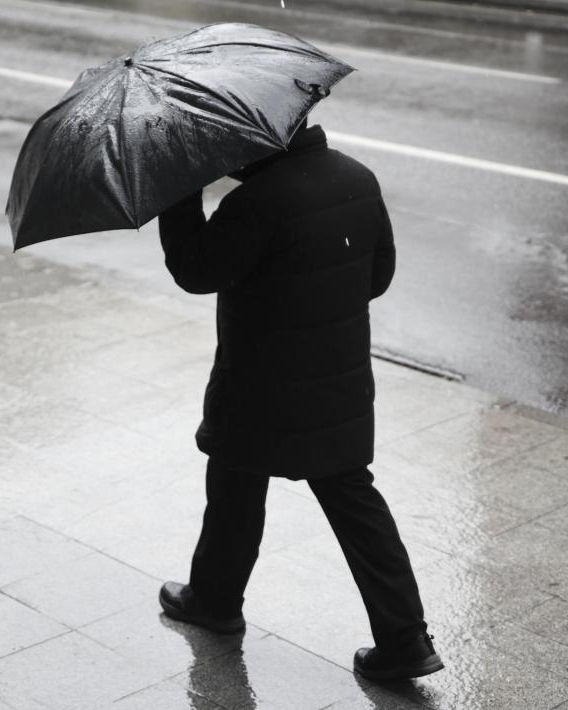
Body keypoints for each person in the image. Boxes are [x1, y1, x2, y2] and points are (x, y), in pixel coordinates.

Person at [155, 120, 442, 682]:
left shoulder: (259, 201)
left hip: (260, 379)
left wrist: (180, 189)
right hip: (337, 379)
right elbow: (377, 276)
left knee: (236, 482)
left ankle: (214, 601)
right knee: (353, 500)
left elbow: (195, 270)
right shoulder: (357, 178)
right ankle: (406, 638)